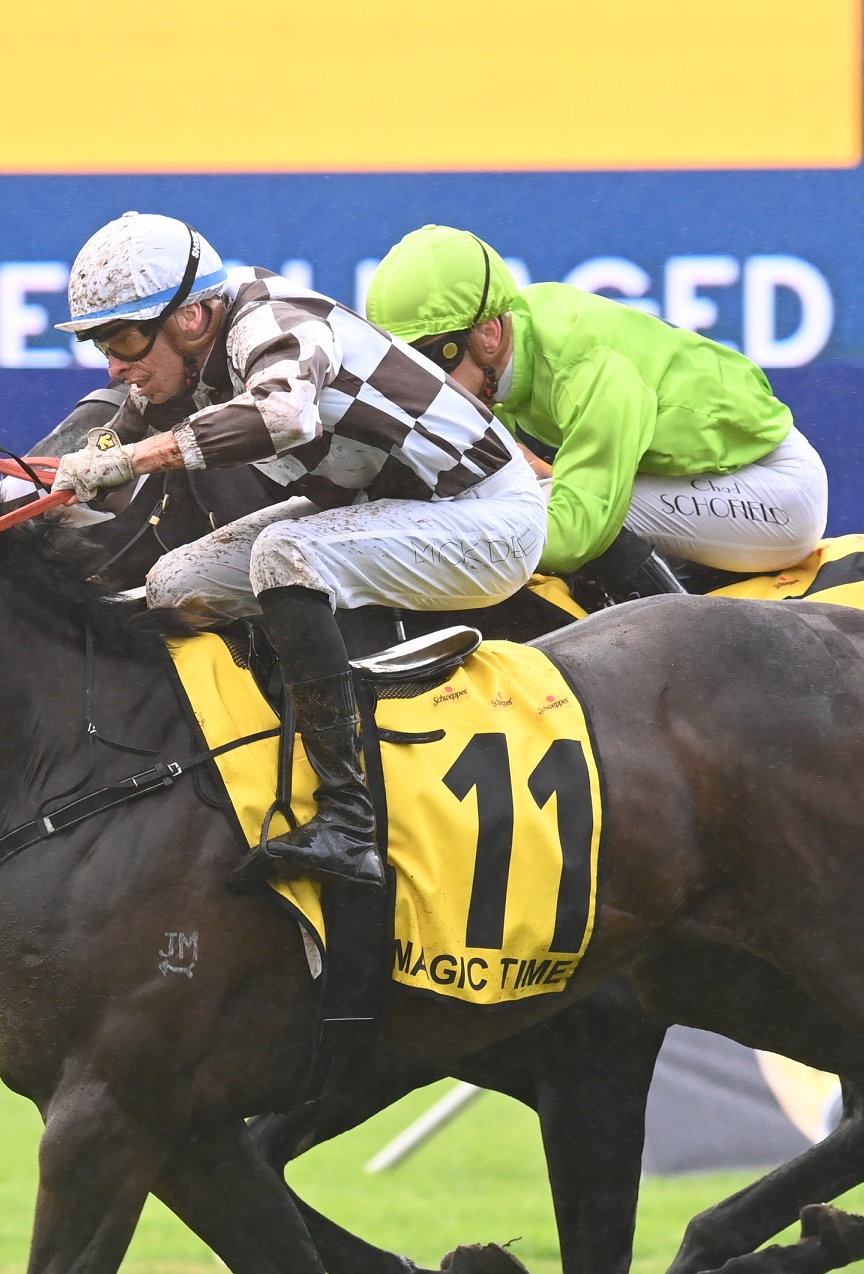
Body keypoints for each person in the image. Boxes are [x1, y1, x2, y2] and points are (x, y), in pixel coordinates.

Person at [47, 213, 546, 890]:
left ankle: (350, 818)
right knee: (174, 582)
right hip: (383, 509)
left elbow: (282, 416)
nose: (114, 365)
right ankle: (257, 760)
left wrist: (130, 460)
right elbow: (93, 473)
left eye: (127, 338)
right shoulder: (181, 367)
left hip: (487, 517)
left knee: (284, 553)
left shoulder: (272, 320)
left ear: (192, 317)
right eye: (101, 343)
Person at [364, 225, 829, 609]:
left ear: (489, 333)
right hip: (710, 473)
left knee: (531, 514)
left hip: (777, 490)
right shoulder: (517, 334)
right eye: (404, 366)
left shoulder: (586, 365)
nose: (423, 386)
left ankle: (681, 642)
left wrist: (428, 548)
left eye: (432, 359)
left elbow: (575, 536)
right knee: (510, 502)